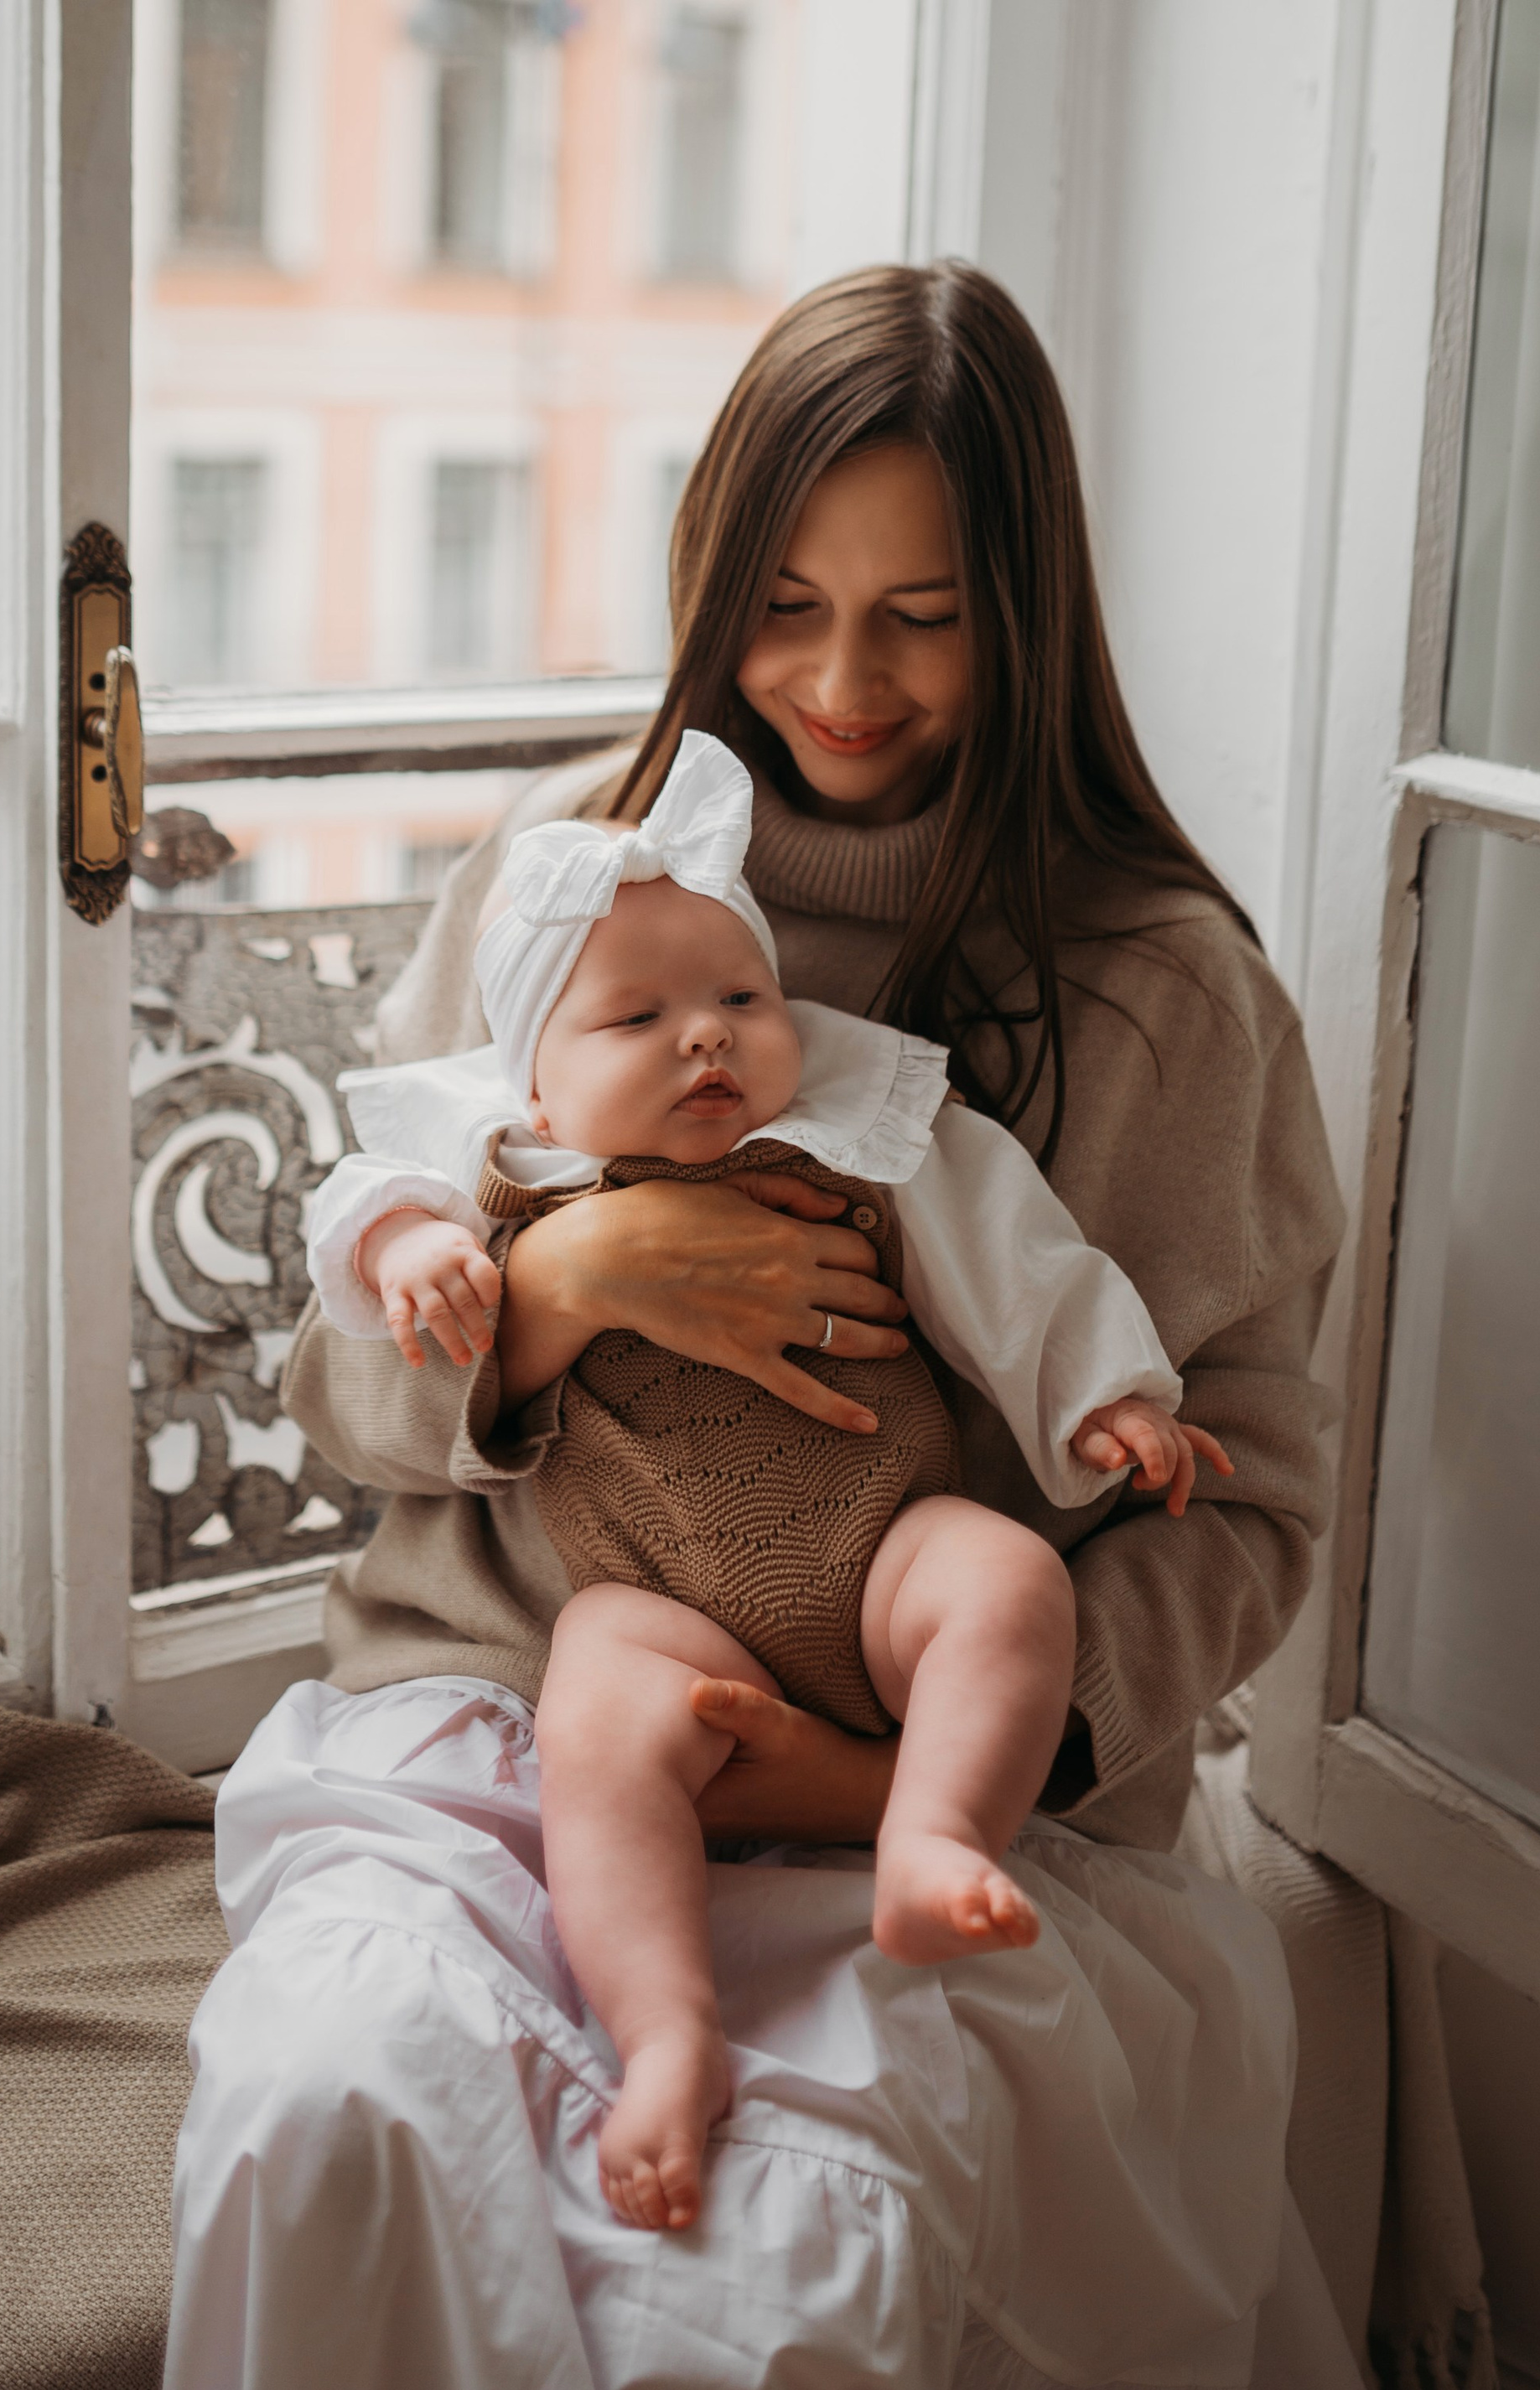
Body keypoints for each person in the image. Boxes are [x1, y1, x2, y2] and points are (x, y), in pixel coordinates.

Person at [153, 262, 1399, 2390]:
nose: (841, 681)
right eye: (788, 603)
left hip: (940, 1784)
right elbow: (337, 1397)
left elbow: (1259, 1513)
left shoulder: (1155, 995)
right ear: (707, 583)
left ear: (1028, 613)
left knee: (750, 2295)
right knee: (324, 2117)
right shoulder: (560, 889)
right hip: (511, 1723)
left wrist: (867, 1776)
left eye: (921, 613)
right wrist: (574, 1289)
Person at [313, 724, 1228, 2232]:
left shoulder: (856, 1141)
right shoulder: (500, 1172)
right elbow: (360, 1219)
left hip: (882, 1557)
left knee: (1001, 1576)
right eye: (639, 1018)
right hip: (662, 1612)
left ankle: (930, 1835)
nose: (709, 1038)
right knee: (594, 1721)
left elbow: (1020, 1261)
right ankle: (664, 2035)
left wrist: (1112, 1395)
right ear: (532, 1084)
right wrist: (413, 1251)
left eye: (742, 997)